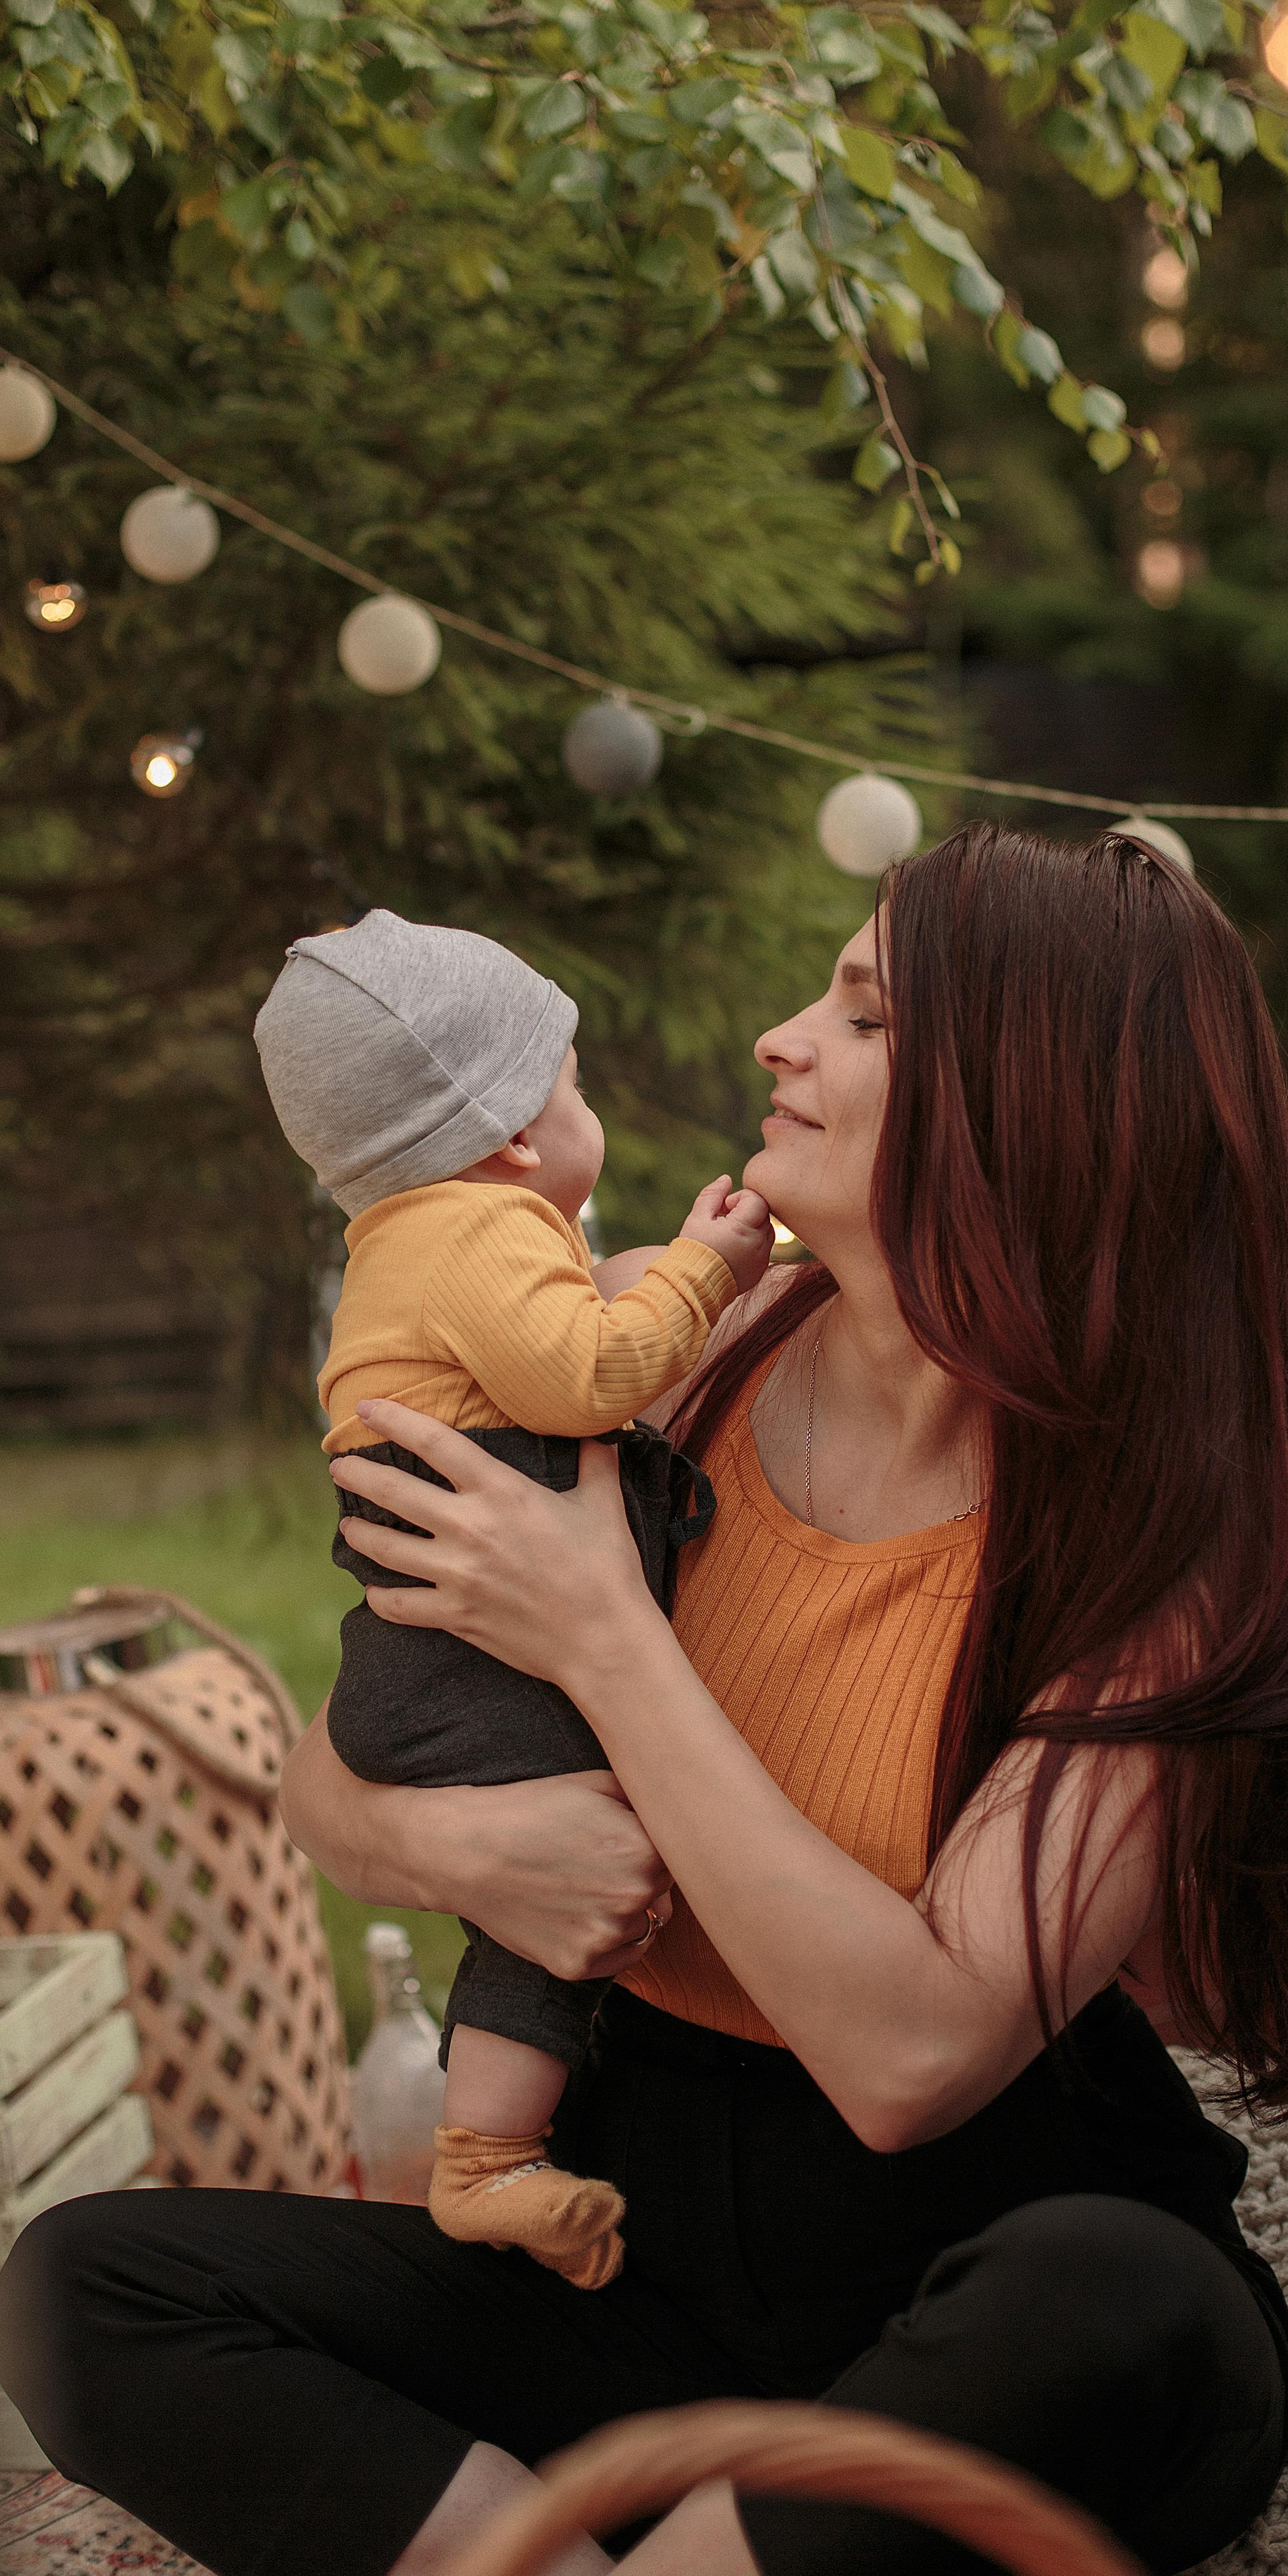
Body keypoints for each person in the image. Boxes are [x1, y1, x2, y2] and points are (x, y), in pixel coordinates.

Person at [0, 825, 1288, 2576]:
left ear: (1027, 1101)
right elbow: (334, 1776)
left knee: (1112, 2296)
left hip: (978, 2281)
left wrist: (605, 1631)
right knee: (83, 2289)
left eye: (862, 1014)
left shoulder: (1152, 1544)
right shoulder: (662, 1358)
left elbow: (913, 2067)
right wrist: (462, 1848)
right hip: (637, 2255)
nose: (780, 1038)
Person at [252, 911, 773, 2285]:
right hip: (466, 1659)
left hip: (425, 1652)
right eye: (574, 1083)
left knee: (539, 1903)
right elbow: (590, 1378)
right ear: (514, 1137)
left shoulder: (408, 1239)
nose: (589, 1109)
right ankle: (485, 2157)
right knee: (584, 1851)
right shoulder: (480, 1228)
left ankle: (487, 2160)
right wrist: (707, 1271)